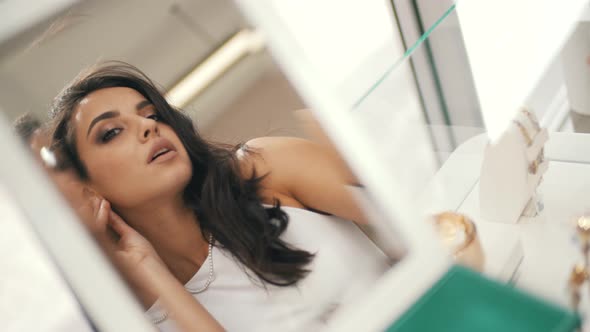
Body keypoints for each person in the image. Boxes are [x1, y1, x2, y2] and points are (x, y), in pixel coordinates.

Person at [49, 61, 390, 331]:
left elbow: (417, 215)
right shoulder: (141, 318)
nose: (149, 127)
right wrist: (148, 270)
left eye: (152, 115)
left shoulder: (262, 167)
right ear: (86, 190)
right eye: (111, 133)